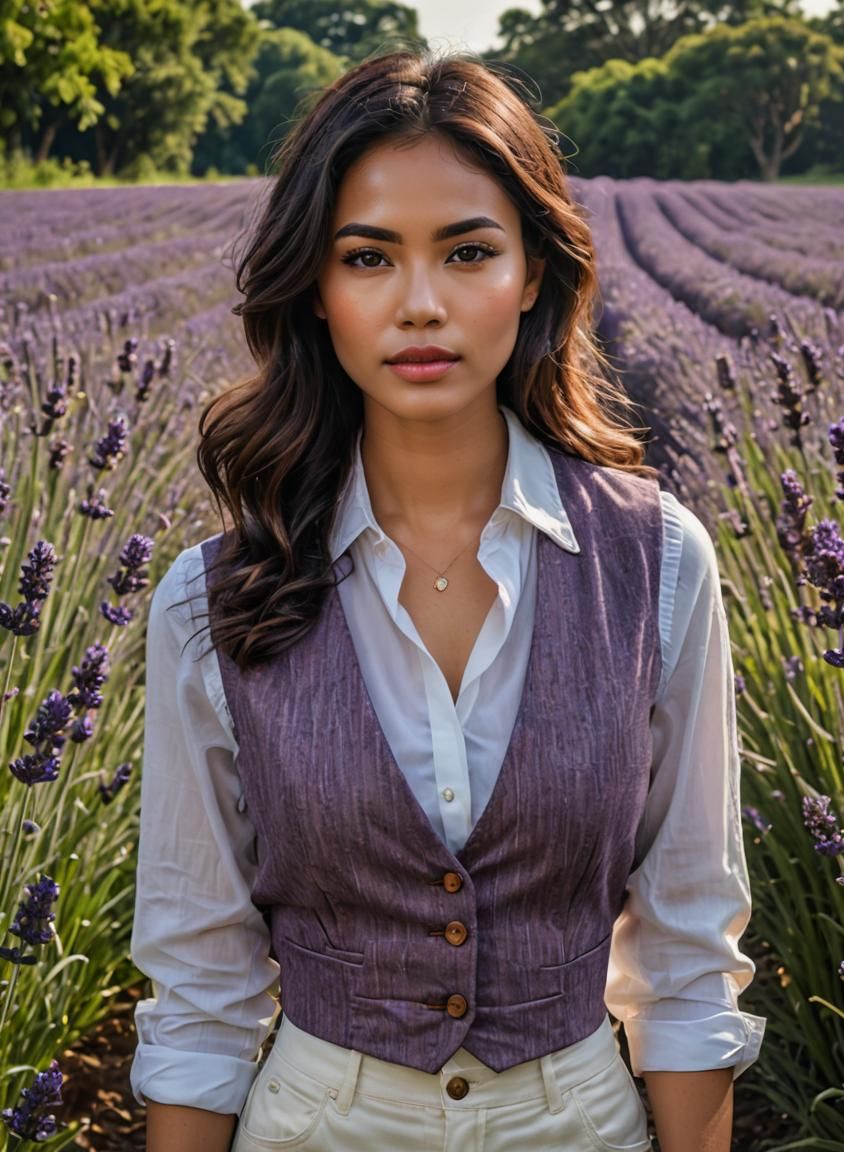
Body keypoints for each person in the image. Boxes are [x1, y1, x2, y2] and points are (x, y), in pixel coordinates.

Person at [128, 46, 766, 1152]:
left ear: (530, 275)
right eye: (368, 258)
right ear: (316, 292)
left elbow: (687, 948)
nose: (419, 303)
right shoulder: (210, 599)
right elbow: (198, 983)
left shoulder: (659, 560)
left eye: (466, 251)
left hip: (578, 1122)